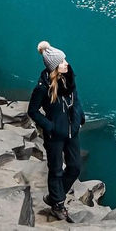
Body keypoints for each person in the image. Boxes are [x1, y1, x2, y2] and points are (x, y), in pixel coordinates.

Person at [28, 40, 85, 222]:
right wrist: (50, 126)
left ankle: (54, 197)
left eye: (65, 60)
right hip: (54, 135)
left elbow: (76, 99)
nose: (66, 63)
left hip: (72, 131)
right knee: (56, 170)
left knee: (75, 167)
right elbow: (33, 111)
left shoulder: (69, 78)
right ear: (54, 66)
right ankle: (58, 205)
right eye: (62, 62)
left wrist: (80, 118)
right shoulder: (42, 87)